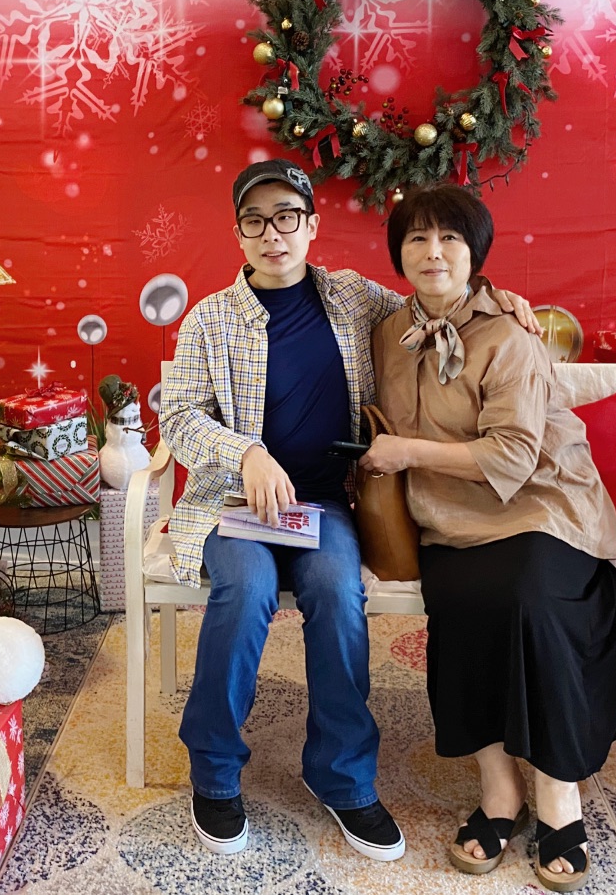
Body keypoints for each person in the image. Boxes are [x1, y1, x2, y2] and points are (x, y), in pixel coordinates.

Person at [160, 160, 538, 860]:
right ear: (238, 232)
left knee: (338, 591)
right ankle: (214, 772)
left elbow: (434, 301)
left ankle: (341, 776)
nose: (272, 234)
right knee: (242, 592)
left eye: (286, 218)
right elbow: (179, 418)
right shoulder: (209, 319)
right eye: (255, 220)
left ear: (311, 225)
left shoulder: (353, 298)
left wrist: (495, 296)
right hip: (235, 505)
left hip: (328, 504)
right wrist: (246, 453)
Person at [358, 184, 616, 892]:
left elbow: (513, 458)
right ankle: (497, 788)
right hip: (447, 519)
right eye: (417, 238)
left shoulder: (511, 335)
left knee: (531, 603)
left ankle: (557, 791)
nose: (433, 252)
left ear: (476, 252)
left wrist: (407, 454)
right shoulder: (383, 329)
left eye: (450, 238)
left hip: (540, 507)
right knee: (460, 602)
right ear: (397, 253)